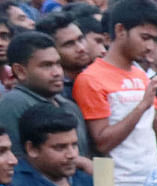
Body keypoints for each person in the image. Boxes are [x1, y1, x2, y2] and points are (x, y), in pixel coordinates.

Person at [74, 0, 157, 186]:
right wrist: (142, 106)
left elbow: (154, 136)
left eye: (153, 40)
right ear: (120, 30)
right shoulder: (91, 79)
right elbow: (102, 142)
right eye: (144, 37)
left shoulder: (141, 76)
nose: (149, 46)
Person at [0, 31, 90, 170]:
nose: (57, 72)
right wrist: (81, 163)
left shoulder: (69, 106)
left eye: (58, 64)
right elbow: (16, 165)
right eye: (46, 65)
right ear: (20, 71)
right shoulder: (12, 105)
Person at [34, 12, 94, 103]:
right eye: (69, 44)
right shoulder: (52, 90)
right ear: (52, 50)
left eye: (81, 39)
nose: (81, 48)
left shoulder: (97, 75)